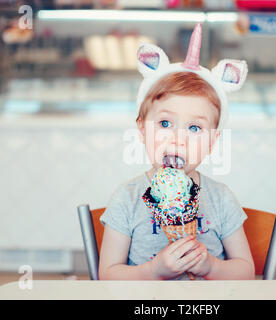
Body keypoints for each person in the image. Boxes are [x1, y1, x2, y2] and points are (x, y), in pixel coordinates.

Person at [98, 23, 255, 280]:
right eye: (165, 124)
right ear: (141, 129)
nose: (178, 139)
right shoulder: (126, 199)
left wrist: (212, 267)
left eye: (194, 127)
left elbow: (246, 272)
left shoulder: (221, 199)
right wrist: (154, 271)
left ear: (212, 142)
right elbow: (107, 275)